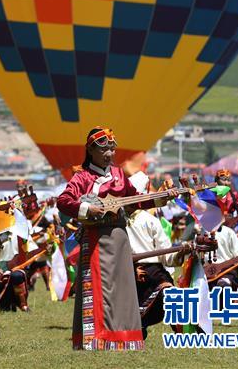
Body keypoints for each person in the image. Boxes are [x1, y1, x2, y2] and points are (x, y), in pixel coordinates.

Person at [56, 127, 174, 351]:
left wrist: (161, 199)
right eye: (103, 149)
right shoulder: (82, 177)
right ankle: (97, 338)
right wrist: (87, 208)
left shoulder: (119, 174)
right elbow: (63, 201)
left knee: (122, 290)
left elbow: (135, 200)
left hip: (120, 239)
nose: (109, 154)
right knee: (100, 290)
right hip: (96, 240)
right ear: (90, 150)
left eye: (112, 148)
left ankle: (123, 337)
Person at [126, 173, 189, 340]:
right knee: (132, 325)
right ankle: (138, 326)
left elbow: (167, 255)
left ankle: (185, 333)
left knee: (170, 294)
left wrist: (181, 252)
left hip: (152, 271)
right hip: (125, 273)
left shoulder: (150, 220)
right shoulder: (113, 219)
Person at [209, 209, 238, 290]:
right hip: (207, 272)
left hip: (227, 271)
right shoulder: (202, 233)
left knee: (223, 285)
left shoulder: (228, 232)